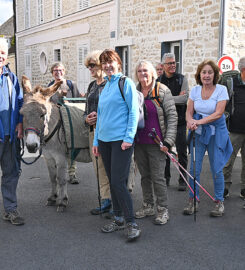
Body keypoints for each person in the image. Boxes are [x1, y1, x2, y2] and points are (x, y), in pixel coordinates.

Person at [92, 49, 141, 241]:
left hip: (121, 141)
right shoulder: (105, 87)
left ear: (118, 63)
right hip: (104, 141)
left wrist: (129, 137)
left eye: (110, 62)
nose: (107, 66)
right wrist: (96, 140)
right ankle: (118, 217)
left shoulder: (125, 82)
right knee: (113, 181)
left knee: (119, 182)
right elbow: (101, 116)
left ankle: (131, 223)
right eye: (103, 63)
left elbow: (133, 112)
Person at [184, 59, 232, 217]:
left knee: (216, 168)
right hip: (198, 133)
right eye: (204, 72)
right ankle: (193, 200)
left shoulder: (221, 89)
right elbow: (188, 111)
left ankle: (219, 202)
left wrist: (198, 121)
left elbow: (218, 113)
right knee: (193, 169)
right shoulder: (195, 90)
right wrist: (190, 121)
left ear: (215, 74)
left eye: (210, 72)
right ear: (199, 74)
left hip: (216, 133)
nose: (207, 75)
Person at [134, 60, 177, 225]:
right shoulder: (135, 91)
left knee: (158, 177)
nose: (143, 74)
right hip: (139, 141)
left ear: (152, 72)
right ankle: (148, 205)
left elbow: (172, 117)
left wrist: (168, 141)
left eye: (145, 70)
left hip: (158, 142)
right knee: (145, 176)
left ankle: (162, 209)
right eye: (139, 71)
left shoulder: (162, 90)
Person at [83, 50, 111, 215]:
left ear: (101, 65)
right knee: (98, 169)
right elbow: (86, 111)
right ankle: (105, 200)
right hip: (93, 133)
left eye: (92, 65)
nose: (90, 69)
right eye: (88, 67)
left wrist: (99, 117)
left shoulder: (110, 84)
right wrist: (87, 119)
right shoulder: (92, 86)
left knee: (110, 168)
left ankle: (116, 202)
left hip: (109, 133)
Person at [0, 38, 24, 225]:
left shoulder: (12, 77)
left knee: (11, 173)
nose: (0, 56)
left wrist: (20, 124)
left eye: (2, 53)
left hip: (8, 136)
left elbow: (20, 102)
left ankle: (10, 210)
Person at [159, 53, 189, 190]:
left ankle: (183, 179)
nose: (172, 65)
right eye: (169, 63)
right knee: (165, 151)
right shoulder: (158, 81)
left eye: (174, 63)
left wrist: (167, 99)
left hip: (181, 122)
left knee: (182, 152)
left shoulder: (182, 79)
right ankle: (166, 178)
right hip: (164, 123)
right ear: (163, 66)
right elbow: (156, 100)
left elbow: (184, 99)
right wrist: (176, 98)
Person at [48, 62, 80, 184]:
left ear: (64, 72)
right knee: (57, 148)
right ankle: (59, 174)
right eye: (55, 71)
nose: (58, 73)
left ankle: (72, 174)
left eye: (60, 70)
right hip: (55, 124)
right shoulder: (49, 87)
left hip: (70, 122)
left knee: (71, 147)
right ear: (52, 73)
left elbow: (77, 101)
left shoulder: (71, 85)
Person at [223, 57, 245, 201]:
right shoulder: (232, 84)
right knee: (228, 160)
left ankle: (244, 189)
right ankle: (224, 187)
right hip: (234, 130)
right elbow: (224, 105)